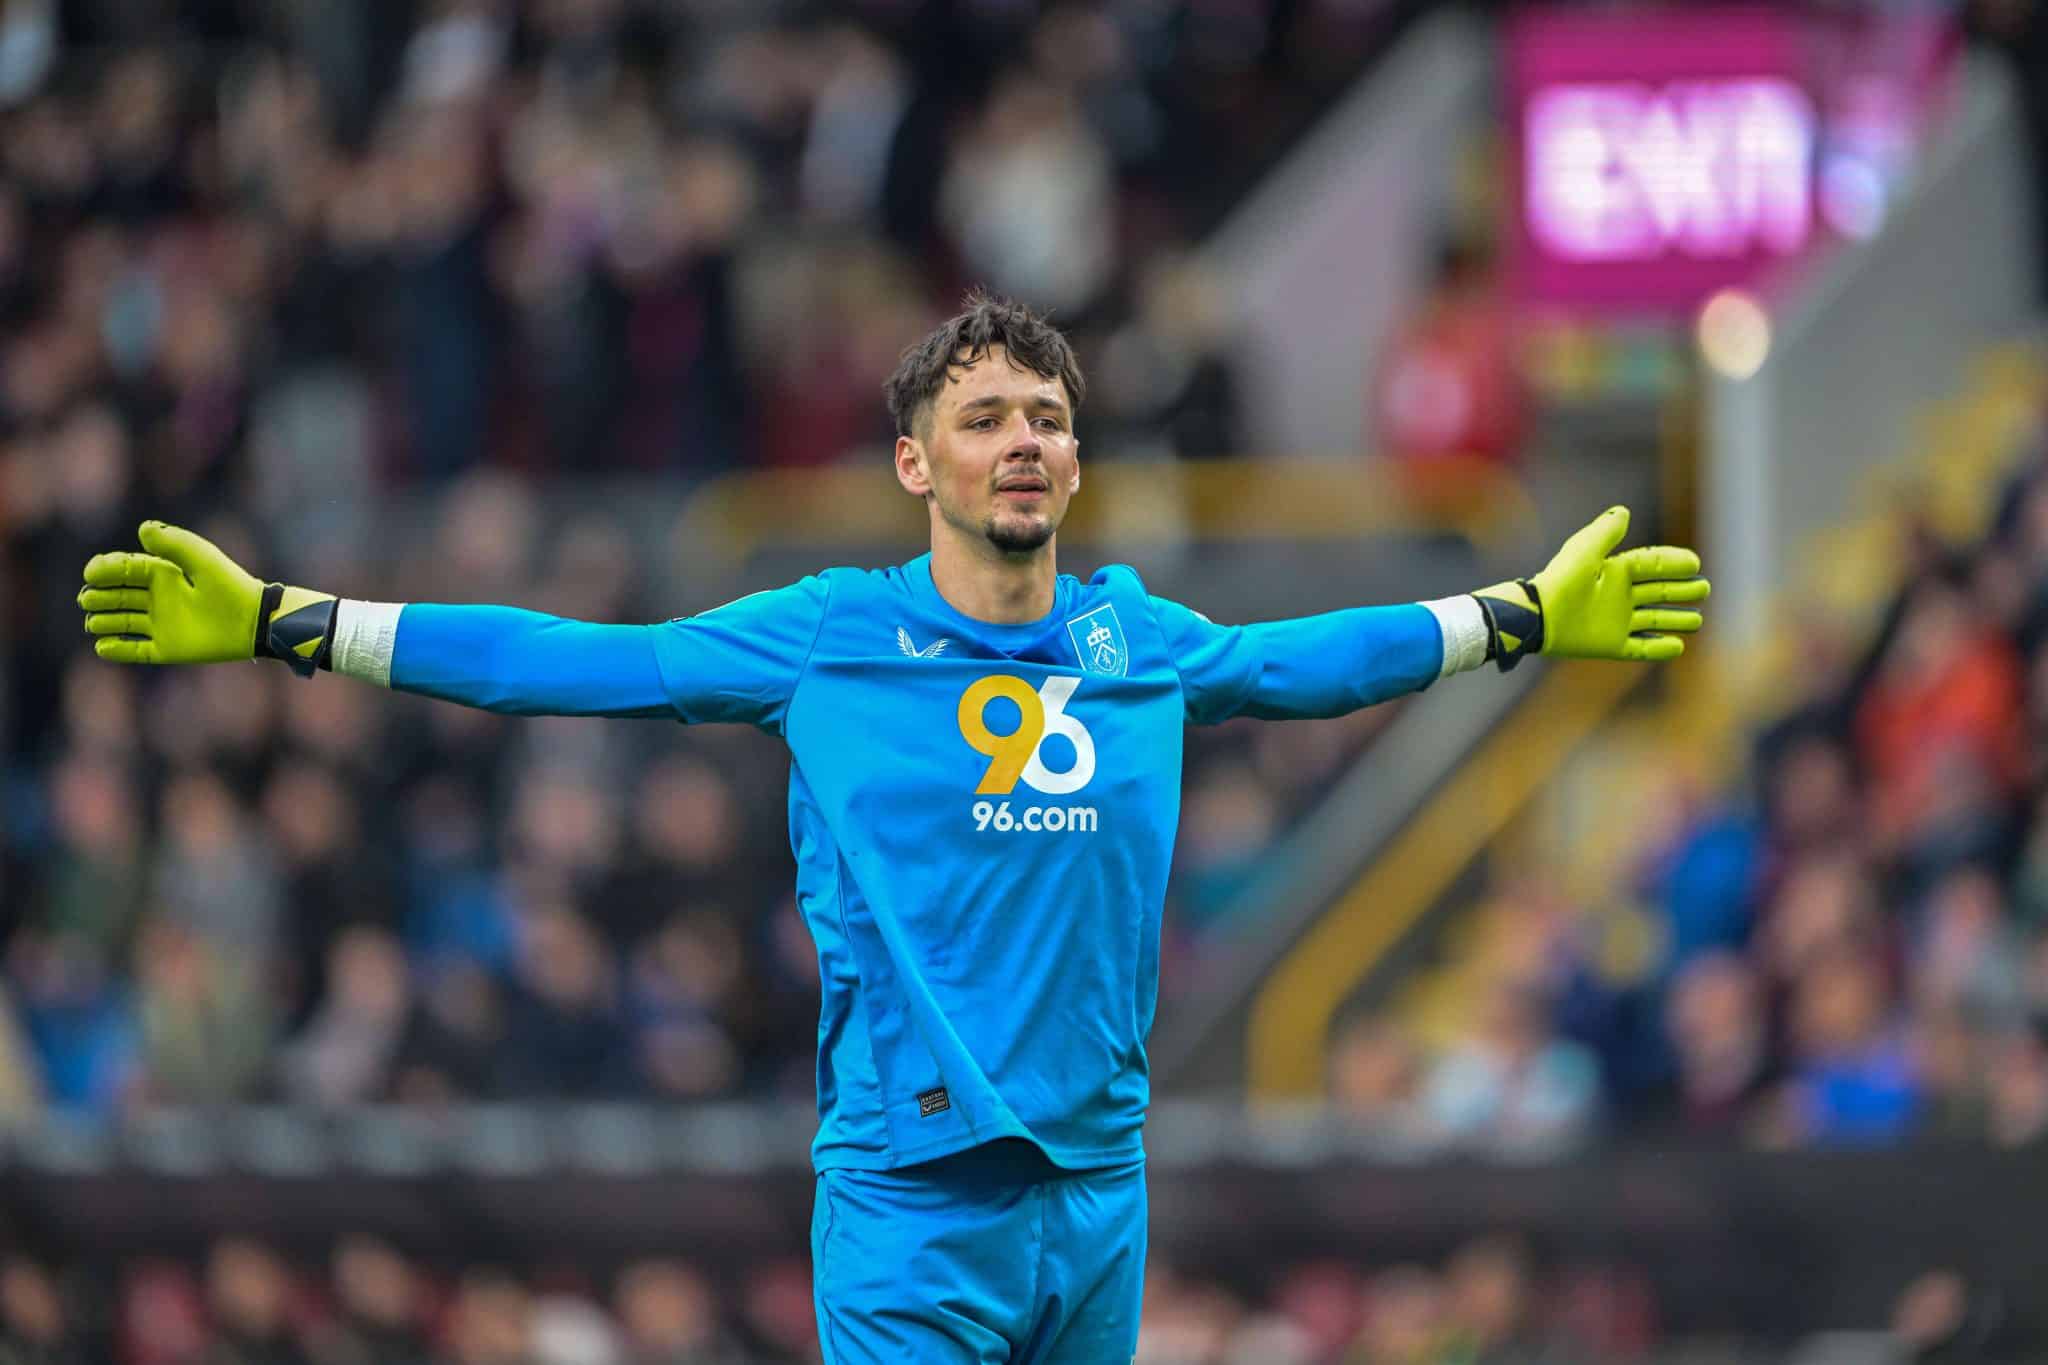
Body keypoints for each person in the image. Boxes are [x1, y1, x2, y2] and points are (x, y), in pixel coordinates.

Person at [75, 291, 1710, 1364]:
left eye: (1050, 417)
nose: (1027, 441)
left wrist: (1520, 614)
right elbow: (567, 664)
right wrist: (292, 621)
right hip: (915, 1208)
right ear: (915, 459)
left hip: (1097, 1199)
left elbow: (1314, 661)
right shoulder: (828, 636)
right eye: (990, 416)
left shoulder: (1140, 641)